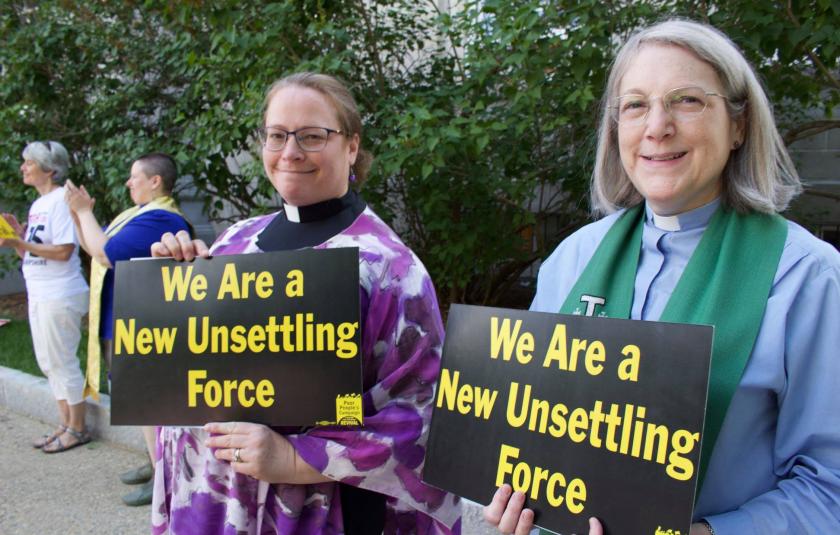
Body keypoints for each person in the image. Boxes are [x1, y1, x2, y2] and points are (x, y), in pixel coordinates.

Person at [485, 19, 840, 535]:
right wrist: (519, 501)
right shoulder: (573, 257)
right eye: (635, 105)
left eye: (687, 101)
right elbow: (534, 435)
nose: (657, 127)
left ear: (739, 124)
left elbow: (830, 486)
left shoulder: (808, 277)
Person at [149, 72, 461, 534]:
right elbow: (183, 373)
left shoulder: (390, 268)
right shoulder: (234, 243)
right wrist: (169, 288)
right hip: (213, 503)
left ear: (351, 146)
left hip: (317, 513)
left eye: (312, 136)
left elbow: (423, 414)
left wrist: (292, 459)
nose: (290, 152)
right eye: (277, 135)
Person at [64, 152, 192, 507]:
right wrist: (78, 213)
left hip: (146, 326)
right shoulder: (140, 216)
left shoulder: (159, 219)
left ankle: (163, 481)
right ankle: (156, 466)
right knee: (140, 403)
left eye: (134, 177)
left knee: (149, 402)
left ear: (155, 182)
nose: (128, 183)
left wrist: (85, 212)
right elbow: (94, 246)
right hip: (128, 320)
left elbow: (105, 253)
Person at [0, 140, 91, 453]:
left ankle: (78, 428)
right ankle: (64, 423)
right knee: (48, 363)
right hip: (40, 291)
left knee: (62, 361)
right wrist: (20, 237)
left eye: (30, 163)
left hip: (60, 292)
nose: (23, 167)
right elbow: (37, 254)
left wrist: (19, 245)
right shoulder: (39, 204)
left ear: (49, 169)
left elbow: (65, 251)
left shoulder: (61, 200)